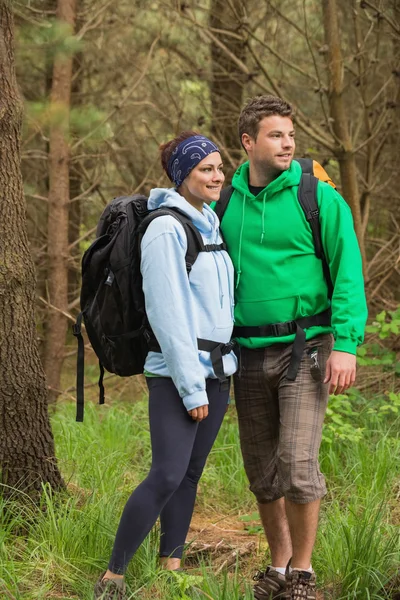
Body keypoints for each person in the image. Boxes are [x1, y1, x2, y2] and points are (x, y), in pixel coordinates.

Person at [217, 95, 367, 600]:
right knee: (262, 473)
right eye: (276, 135)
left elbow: (347, 270)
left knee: (298, 465)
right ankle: (278, 566)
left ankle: (302, 572)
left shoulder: (316, 195)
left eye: (290, 135)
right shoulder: (227, 201)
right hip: (246, 353)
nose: (287, 143)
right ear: (248, 142)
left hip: (307, 348)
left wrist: (345, 344)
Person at [94, 132, 237, 599]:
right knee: (168, 473)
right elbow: (168, 312)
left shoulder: (209, 220)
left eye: (219, 167)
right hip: (180, 373)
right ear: (182, 175)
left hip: (218, 370)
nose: (216, 176)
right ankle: (113, 577)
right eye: (205, 169)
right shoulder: (166, 229)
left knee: (191, 474)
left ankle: (170, 570)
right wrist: (191, 387)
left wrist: (217, 373)